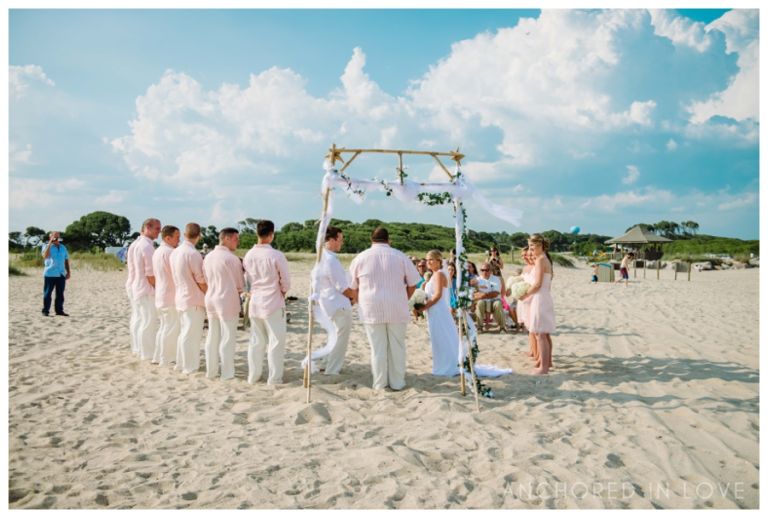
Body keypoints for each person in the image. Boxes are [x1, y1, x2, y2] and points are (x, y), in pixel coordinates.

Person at [349, 227, 421, 391]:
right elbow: (413, 283)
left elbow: (353, 287)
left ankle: (380, 383)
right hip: (396, 306)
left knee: (377, 348)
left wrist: (360, 300)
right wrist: (404, 298)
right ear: (389, 240)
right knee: (397, 346)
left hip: (371, 308)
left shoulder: (360, 258)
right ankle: (397, 382)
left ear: (371, 240)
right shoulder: (400, 256)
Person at [243, 220, 291, 385]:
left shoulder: (249, 255)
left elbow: (247, 279)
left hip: (255, 300)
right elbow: (285, 281)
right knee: (276, 341)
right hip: (273, 301)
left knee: (256, 341)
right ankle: (274, 377)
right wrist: (283, 292)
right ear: (271, 235)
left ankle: (253, 375)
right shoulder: (276, 255)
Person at [310, 226, 356, 375]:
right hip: (338, 305)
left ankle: (325, 363)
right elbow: (343, 287)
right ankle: (332, 369)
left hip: (327, 304)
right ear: (331, 239)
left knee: (333, 336)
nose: (341, 243)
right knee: (340, 339)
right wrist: (356, 296)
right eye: (339, 239)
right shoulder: (330, 260)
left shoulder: (320, 257)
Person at [203, 228, 244, 380]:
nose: (237, 242)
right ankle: (227, 372)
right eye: (235, 239)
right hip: (226, 298)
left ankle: (211, 371)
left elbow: (206, 278)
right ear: (226, 238)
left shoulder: (208, 257)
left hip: (211, 297)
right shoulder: (231, 259)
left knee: (212, 335)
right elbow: (240, 284)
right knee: (228, 336)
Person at [170, 223, 207, 374]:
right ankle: (189, 365)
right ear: (199, 236)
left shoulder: (175, 252)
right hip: (193, 298)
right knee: (191, 334)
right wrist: (208, 293)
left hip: (180, 296)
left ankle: (180, 363)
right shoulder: (193, 254)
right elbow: (200, 279)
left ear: (185, 235)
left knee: (184, 332)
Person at [518, 234, 556, 375]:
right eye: (529, 246)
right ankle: (546, 362)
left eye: (532, 245)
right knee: (544, 333)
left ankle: (543, 368)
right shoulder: (545, 259)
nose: (531, 249)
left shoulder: (540, 260)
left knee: (540, 334)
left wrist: (525, 295)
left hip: (539, 298)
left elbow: (538, 284)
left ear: (540, 245)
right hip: (543, 297)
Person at [421, 250, 460, 376]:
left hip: (438, 310)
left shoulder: (438, 274)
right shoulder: (434, 275)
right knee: (438, 338)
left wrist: (424, 307)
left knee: (442, 338)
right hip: (434, 310)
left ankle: (447, 366)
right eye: (427, 260)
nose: (429, 262)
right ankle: (442, 364)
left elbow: (437, 295)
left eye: (431, 259)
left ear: (439, 261)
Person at [126, 218, 161, 360]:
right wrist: (158, 288)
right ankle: (146, 352)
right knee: (148, 321)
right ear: (147, 227)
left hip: (134, 284)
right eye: (157, 228)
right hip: (145, 287)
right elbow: (150, 273)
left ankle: (137, 348)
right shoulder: (146, 246)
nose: (159, 232)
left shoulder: (135, 244)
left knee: (138, 318)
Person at [152, 225, 180, 365]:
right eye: (177, 237)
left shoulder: (157, 251)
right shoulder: (170, 252)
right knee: (171, 327)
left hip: (161, 293)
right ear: (168, 238)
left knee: (164, 327)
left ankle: (159, 355)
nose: (178, 241)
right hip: (170, 294)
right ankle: (167, 357)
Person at [41, 231, 70, 317]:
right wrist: (50, 243)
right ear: (50, 238)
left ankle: (59, 311)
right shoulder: (46, 246)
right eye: (54, 237)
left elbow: (66, 260)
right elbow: (45, 256)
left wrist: (68, 272)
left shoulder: (63, 247)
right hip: (50, 274)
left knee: (60, 294)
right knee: (47, 293)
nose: (56, 239)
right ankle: (45, 311)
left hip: (61, 274)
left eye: (57, 237)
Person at [473, 262, 506, 332]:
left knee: (498, 304)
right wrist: (482, 295)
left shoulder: (496, 279)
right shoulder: (477, 280)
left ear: (491, 271)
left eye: (487, 270)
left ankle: (502, 327)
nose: (484, 271)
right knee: (480, 303)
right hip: (483, 301)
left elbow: (496, 293)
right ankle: (480, 327)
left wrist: (482, 294)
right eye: (482, 270)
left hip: (494, 300)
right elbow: (474, 294)